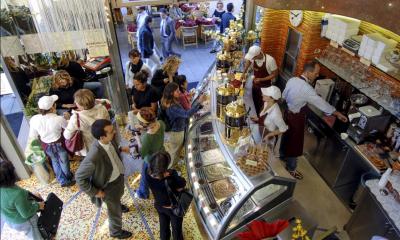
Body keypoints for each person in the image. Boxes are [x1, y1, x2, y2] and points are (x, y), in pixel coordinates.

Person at [280, 61, 348, 179]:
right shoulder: (307, 89)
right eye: (316, 73)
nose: (317, 75)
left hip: (287, 114)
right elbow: (320, 103)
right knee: (295, 143)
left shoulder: (292, 80)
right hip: (296, 118)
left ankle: (283, 155)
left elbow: (283, 96)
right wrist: (336, 113)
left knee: (286, 136)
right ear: (308, 72)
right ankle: (291, 168)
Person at [75, 119, 132, 239]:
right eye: (111, 131)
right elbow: (79, 177)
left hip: (118, 178)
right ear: (101, 137)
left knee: (119, 196)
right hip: (108, 186)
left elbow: (112, 150)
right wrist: (95, 192)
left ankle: (118, 204)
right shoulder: (94, 156)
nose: (115, 132)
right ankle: (116, 232)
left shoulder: (109, 140)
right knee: (114, 212)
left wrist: (120, 149)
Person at [29, 95, 75, 187]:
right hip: (59, 144)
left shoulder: (34, 119)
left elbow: (33, 135)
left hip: (46, 145)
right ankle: (68, 177)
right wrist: (67, 118)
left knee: (54, 161)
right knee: (64, 160)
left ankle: (62, 180)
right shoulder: (58, 119)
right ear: (53, 107)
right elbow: (67, 128)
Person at [161, 82, 206, 167]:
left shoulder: (172, 101)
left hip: (179, 130)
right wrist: (199, 102)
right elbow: (186, 114)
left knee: (176, 150)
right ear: (171, 93)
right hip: (177, 133)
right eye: (177, 91)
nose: (179, 92)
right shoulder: (172, 107)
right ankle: (169, 168)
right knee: (174, 154)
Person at [0, 158, 45, 240]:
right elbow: (26, 213)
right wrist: (38, 206)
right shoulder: (17, 194)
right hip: (25, 221)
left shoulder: (5, 187)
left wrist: (29, 194)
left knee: (29, 233)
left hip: (10, 219)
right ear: (11, 176)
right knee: (35, 235)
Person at [145, 151, 186, 240]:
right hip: (173, 208)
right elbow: (181, 185)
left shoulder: (147, 172)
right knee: (176, 230)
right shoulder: (171, 177)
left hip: (159, 205)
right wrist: (172, 174)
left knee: (163, 226)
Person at [64, 89, 110, 156]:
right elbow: (107, 121)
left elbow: (67, 136)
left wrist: (68, 121)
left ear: (80, 105)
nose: (75, 102)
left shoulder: (76, 118)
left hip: (90, 149)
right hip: (105, 141)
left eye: (76, 101)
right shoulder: (102, 108)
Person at [133, 107, 166, 199]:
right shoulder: (161, 123)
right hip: (161, 153)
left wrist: (138, 139)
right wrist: (144, 128)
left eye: (140, 121)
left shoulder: (147, 137)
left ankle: (143, 193)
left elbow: (143, 154)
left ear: (143, 123)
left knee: (144, 177)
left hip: (150, 159)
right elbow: (153, 129)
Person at [242, 45, 278, 116]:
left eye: (253, 57)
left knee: (262, 103)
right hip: (255, 84)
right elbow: (249, 61)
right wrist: (244, 72)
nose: (252, 59)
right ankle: (255, 114)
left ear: (258, 54)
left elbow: (275, 74)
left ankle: (260, 117)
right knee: (254, 100)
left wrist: (261, 79)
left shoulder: (270, 60)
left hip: (266, 86)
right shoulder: (253, 58)